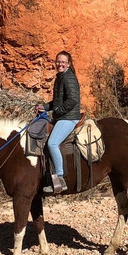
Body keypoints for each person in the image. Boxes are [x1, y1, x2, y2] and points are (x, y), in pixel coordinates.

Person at [35, 50, 81, 194]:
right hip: (62, 116)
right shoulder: (61, 77)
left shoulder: (69, 78)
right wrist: (45, 107)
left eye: (63, 62)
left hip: (69, 117)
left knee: (52, 143)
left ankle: (60, 178)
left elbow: (72, 100)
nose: (60, 64)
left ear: (68, 64)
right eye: (58, 61)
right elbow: (57, 101)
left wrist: (56, 112)